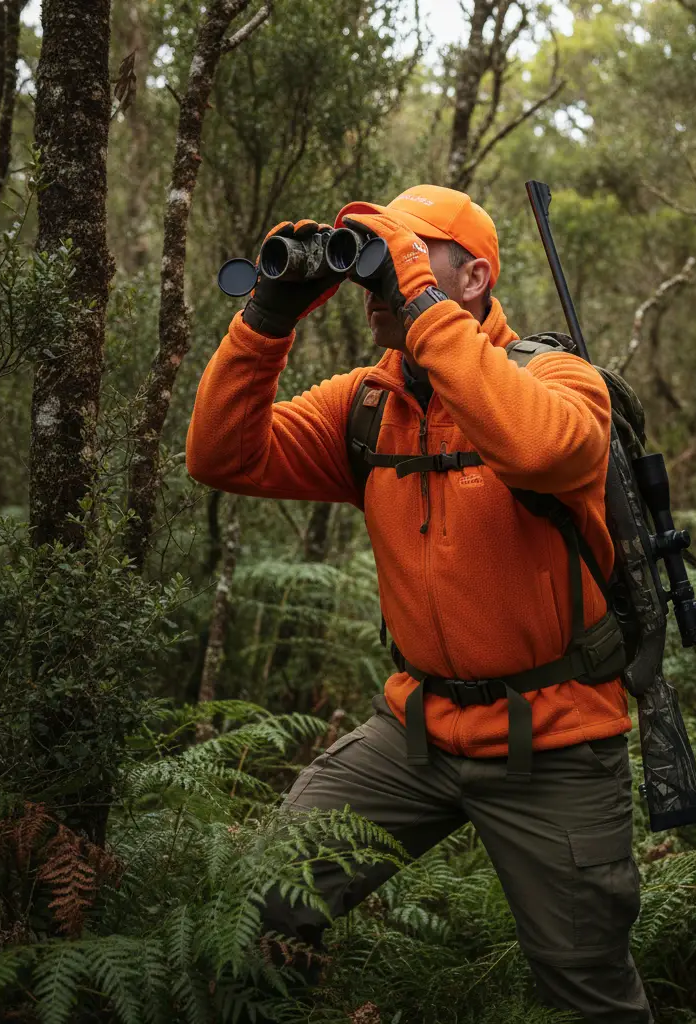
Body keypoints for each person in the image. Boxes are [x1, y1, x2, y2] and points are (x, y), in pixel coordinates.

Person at [185, 184, 654, 1023]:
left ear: (474, 279)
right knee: (263, 903)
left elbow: (541, 449)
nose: (383, 278)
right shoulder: (368, 404)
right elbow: (221, 456)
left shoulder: (560, 381)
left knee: (587, 989)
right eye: (379, 256)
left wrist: (425, 307)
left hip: (555, 741)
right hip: (414, 733)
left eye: (410, 253)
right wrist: (268, 319)